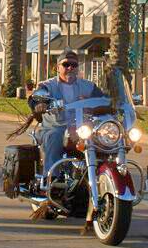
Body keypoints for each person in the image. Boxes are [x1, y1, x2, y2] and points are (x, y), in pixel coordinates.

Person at [29, 51, 105, 180]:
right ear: (58, 67)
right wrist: (39, 104)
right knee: (54, 137)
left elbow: (103, 100)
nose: (70, 68)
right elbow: (34, 98)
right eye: (66, 64)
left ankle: (100, 173)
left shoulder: (89, 86)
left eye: (74, 65)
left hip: (81, 128)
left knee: (103, 139)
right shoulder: (47, 86)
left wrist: (116, 104)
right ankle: (51, 179)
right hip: (55, 127)